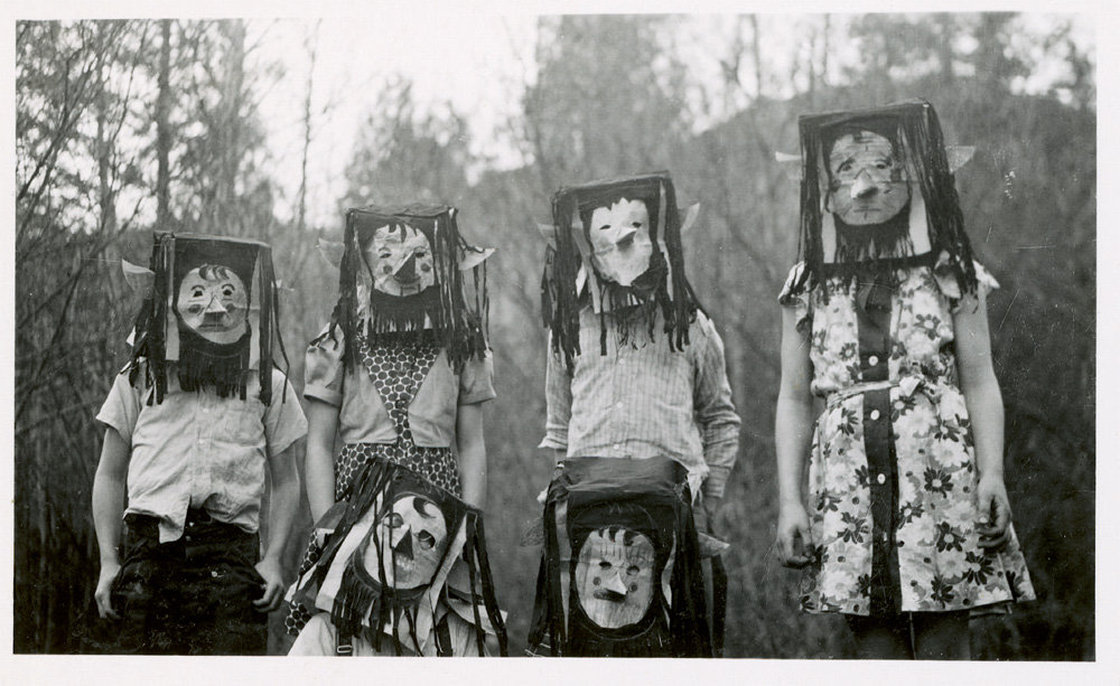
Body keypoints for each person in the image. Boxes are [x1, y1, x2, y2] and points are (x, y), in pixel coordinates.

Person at [774, 100, 1035, 659]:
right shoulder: (806, 283)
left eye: (882, 166)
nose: (865, 185)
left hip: (939, 482)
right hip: (847, 492)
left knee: (944, 647)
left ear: (910, 173)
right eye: (846, 170)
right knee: (875, 650)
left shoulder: (948, 268)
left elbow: (981, 380)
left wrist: (993, 473)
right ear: (823, 185)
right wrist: (790, 501)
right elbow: (794, 398)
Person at [528, 172, 740, 657]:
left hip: (673, 514)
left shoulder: (690, 326)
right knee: (587, 643)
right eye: (606, 240)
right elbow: (559, 430)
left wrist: (707, 496)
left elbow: (721, 419)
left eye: (633, 236)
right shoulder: (569, 331)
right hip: (587, 516)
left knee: (673, 644)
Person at [284, 204, 507, 656]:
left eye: (422, 256)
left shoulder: (461, 340)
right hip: (358, 507)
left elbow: (472, 444)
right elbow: (319, 445)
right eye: (386, 252)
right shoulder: (341, 335)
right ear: (363, 260)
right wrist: (327, 522)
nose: (405, 265)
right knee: (347, 622)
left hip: (436, 511)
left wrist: (469, 525)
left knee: (438, 624)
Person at [91, 232, 306, 655]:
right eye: (198, 293)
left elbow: (287, 480)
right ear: (170, 299)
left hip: (232, 557)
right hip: (149, 552)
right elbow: (109, 473)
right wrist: (108, 559)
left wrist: (274, 557)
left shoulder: (268, 383)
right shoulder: (140, 377)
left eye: (228, 293)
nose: (214, 307)